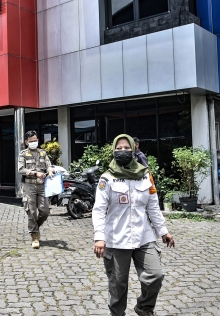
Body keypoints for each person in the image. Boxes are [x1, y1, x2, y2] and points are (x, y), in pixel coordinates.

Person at [93, 134, 174, 316]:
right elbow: (99, 210)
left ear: (134, 149)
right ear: (114, 151)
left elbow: (153, 206)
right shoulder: (107, 178)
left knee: (155, 275)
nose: (123, 151)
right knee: (118, 285)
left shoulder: (145, 176)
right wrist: (99, 237)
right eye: (119, 148)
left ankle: (144, 307)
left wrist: (163, 231)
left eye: (126, 148)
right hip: (116, 239)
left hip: (143, 236)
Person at [18, 130, 55, 249]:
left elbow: (49, 164)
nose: (34, 142)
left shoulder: (43, 153)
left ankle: (35, 227)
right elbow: (21, 169)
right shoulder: (23, 154)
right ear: (26, 142)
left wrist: (50, 170)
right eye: (31, 141)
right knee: (32, 211)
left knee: (45, 211)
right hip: (29, 186)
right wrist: (34, 173)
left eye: (35, 140)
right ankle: (34, 236)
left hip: (42, 185)